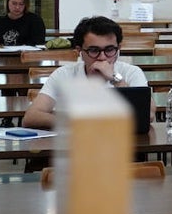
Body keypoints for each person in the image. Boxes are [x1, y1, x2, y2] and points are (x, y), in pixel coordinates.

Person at [22, 16, 151, 130]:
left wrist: (115, 79)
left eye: (110, 50)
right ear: (80, 51)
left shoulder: (131, 72)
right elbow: (31, 117)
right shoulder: (64, 74)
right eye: (94, 50)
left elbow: (148, 115)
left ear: (119, 49)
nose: (102, 57)